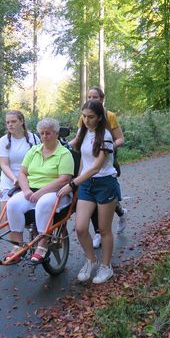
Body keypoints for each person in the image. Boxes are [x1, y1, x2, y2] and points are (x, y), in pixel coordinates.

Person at [58, 101, 121, 284]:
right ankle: (91, 260)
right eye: (84, 116)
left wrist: (72, 184)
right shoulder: (82, 132)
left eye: (90, 116)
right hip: (86, 184)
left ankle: (106, 266)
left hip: (105, 183)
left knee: (103, 229)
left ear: (100, 117)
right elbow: (77, 155)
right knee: (80, 227)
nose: (86, 120)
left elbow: (95, 167)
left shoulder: (106, 136)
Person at [5, 118, 74, 264]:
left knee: (43, 203)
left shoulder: (64, 154)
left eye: (48, 133)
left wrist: (39, 193)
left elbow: (64, 179)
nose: (44, 136)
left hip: (56, 192)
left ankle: (41, 246)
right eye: (42, 133)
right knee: (12, 204)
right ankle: (18, 245)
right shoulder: (34, 150)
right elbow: (22, 173)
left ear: (56, 134)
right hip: (32, 190)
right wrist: (26, 191)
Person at [71, 87, 128, 248]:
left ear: (102, 99)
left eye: (95, 96)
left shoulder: (110, 116)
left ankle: (119, 214)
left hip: (106, 158)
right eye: (89, 96)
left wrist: (105, 148)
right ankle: (98, 232)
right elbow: (79, 138)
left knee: (105, 198)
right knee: (92, 202)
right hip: (89, 159)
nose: (92, 99)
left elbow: (120, 139)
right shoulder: (85, 117)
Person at [0, 110, 39, 210]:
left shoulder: (34, 138)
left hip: (29, 182)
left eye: (13, 121)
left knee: (28, 215)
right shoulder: (3, 141)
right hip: (9, 181)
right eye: (8, 122)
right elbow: (4, 164)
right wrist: (14, 179)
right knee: (6, 217)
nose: (10, 125)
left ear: (22, 121)